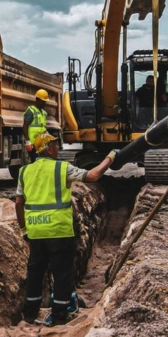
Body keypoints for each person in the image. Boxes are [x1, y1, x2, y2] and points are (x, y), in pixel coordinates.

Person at [15, 132, 118, 325]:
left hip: (35, 231)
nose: (58, 147)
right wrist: (110, 158)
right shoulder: (62, 168)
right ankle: (59, 314)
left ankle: (30, 313)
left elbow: (18, 203)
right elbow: (93, 175)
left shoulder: (24, 171)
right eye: (55, 145)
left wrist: (23, 230)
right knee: (61, 273)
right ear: (48, 149)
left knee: (35, 272)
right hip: (59, 231)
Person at [23, 89, 49, 163]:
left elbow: (43, 127)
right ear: (37, 100)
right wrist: (28, 141)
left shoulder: (44, 113)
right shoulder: (31, 111)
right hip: (33, 144)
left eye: (45, 101)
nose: (44, 103)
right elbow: (25, 126)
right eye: (43, 101)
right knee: (35, 161)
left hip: (41, 143)